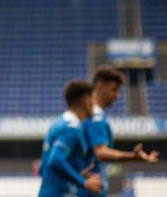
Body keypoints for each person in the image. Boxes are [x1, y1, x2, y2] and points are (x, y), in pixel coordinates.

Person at [80, 66, 159, 197]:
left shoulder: (90, 114)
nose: (116, 96)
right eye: (114, 90)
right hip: (89, 190)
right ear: (99, 86)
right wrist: (132, 157)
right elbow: (100, 152)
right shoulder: (96, 116)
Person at [38, 80, 101, 197]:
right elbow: (55, 160)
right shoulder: (71, 128)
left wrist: (77, 174)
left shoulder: (59, 123)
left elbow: (43, 168)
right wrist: (84, 182)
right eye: (92, 99)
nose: (94, 104)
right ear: (85, 101)